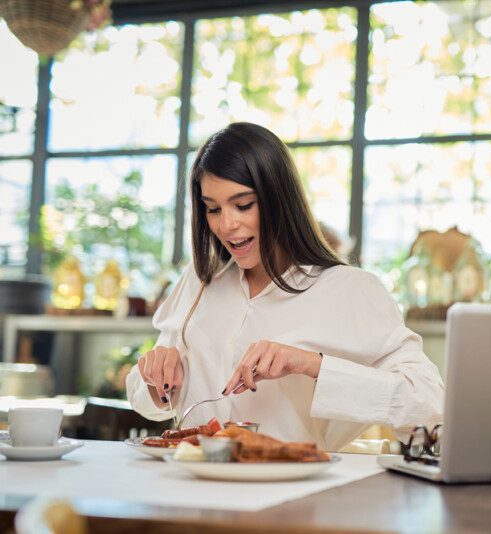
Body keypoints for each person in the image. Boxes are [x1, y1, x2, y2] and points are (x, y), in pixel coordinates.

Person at [126, 122, 444, 451]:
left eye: (244, 205)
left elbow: (429, 403)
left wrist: (311, 364)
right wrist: (153, 375)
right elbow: (146, 397)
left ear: (279, 199)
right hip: (190, 488)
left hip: (291, 492)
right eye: (213, 209)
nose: (226, 224)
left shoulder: (349, 290)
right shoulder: (199, 280)